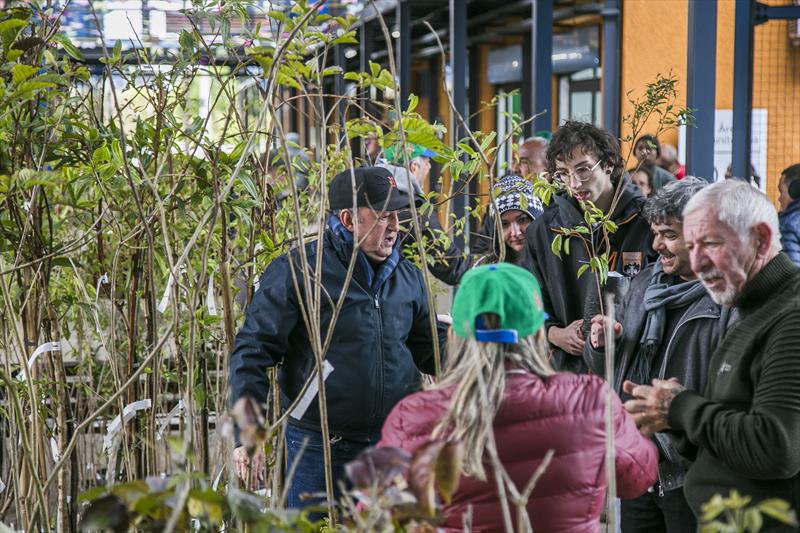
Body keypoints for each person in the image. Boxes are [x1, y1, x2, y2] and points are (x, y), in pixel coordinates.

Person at [378, 263, 658, 532]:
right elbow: (639, 477)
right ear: (537, 333)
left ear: (455, 335)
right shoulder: (590, 402)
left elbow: (383, 512)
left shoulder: (414, 416)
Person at [229, 166, 445, 509]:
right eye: (383, 216)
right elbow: (252, 351)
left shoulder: (407, 276)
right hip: (319, 445)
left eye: (397, 216)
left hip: (392, 443)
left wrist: (484, 355)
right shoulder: (299, 271)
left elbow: (431, 347)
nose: (395, 227)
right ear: (347, 219)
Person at [623, 180, 800, 528]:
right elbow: (728, 434)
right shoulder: (750, 307)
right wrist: (673, 421)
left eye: (711, 243)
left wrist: (682, 407)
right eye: (691, 245)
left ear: (761, 239)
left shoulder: (789, 316)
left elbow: (776, 448)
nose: (698, 262)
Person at [585, 178, 735, 533]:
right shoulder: (644, 285)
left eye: (668, 234)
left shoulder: (727, 298)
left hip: (693, 475)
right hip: (639, 466)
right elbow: (610, 374)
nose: (656, 246)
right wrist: (603, 344)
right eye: (654, 233)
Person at [522, 120, 655, 373]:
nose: (574, 184)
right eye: (563, 173)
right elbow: (528, 301)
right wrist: (553, 333)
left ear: (608, 165)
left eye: (583, 170)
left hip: (629, 368)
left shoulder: (645, 223)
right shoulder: (544, 230)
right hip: (567, 373)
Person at [778, 163, 800, 265]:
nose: (779, 198)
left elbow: (793, 275)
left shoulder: (788, 225)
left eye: (781, 191)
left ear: (795, 190)